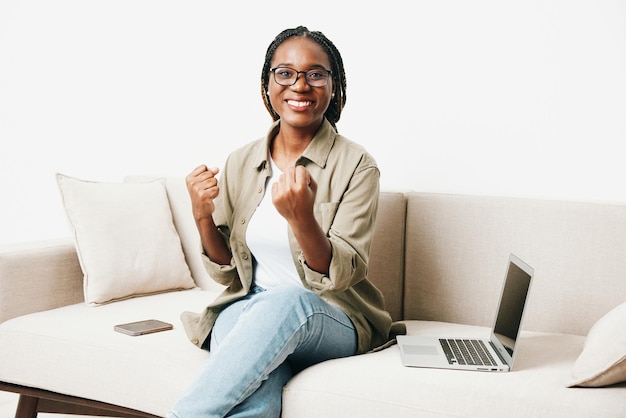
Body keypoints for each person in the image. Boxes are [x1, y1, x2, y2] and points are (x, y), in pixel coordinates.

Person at [169, 26, 392, 418]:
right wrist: (202, 217)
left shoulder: (357, 165)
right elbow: (228, 275)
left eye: (316, 74)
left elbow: (341, 277)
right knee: (257, 379)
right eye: (285, 73)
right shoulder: (242, 161)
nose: (300, 85)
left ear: (334, 86)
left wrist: (303, 220)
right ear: (267, 85)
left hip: (331, 316)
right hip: (250, 307)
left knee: (287, 304)